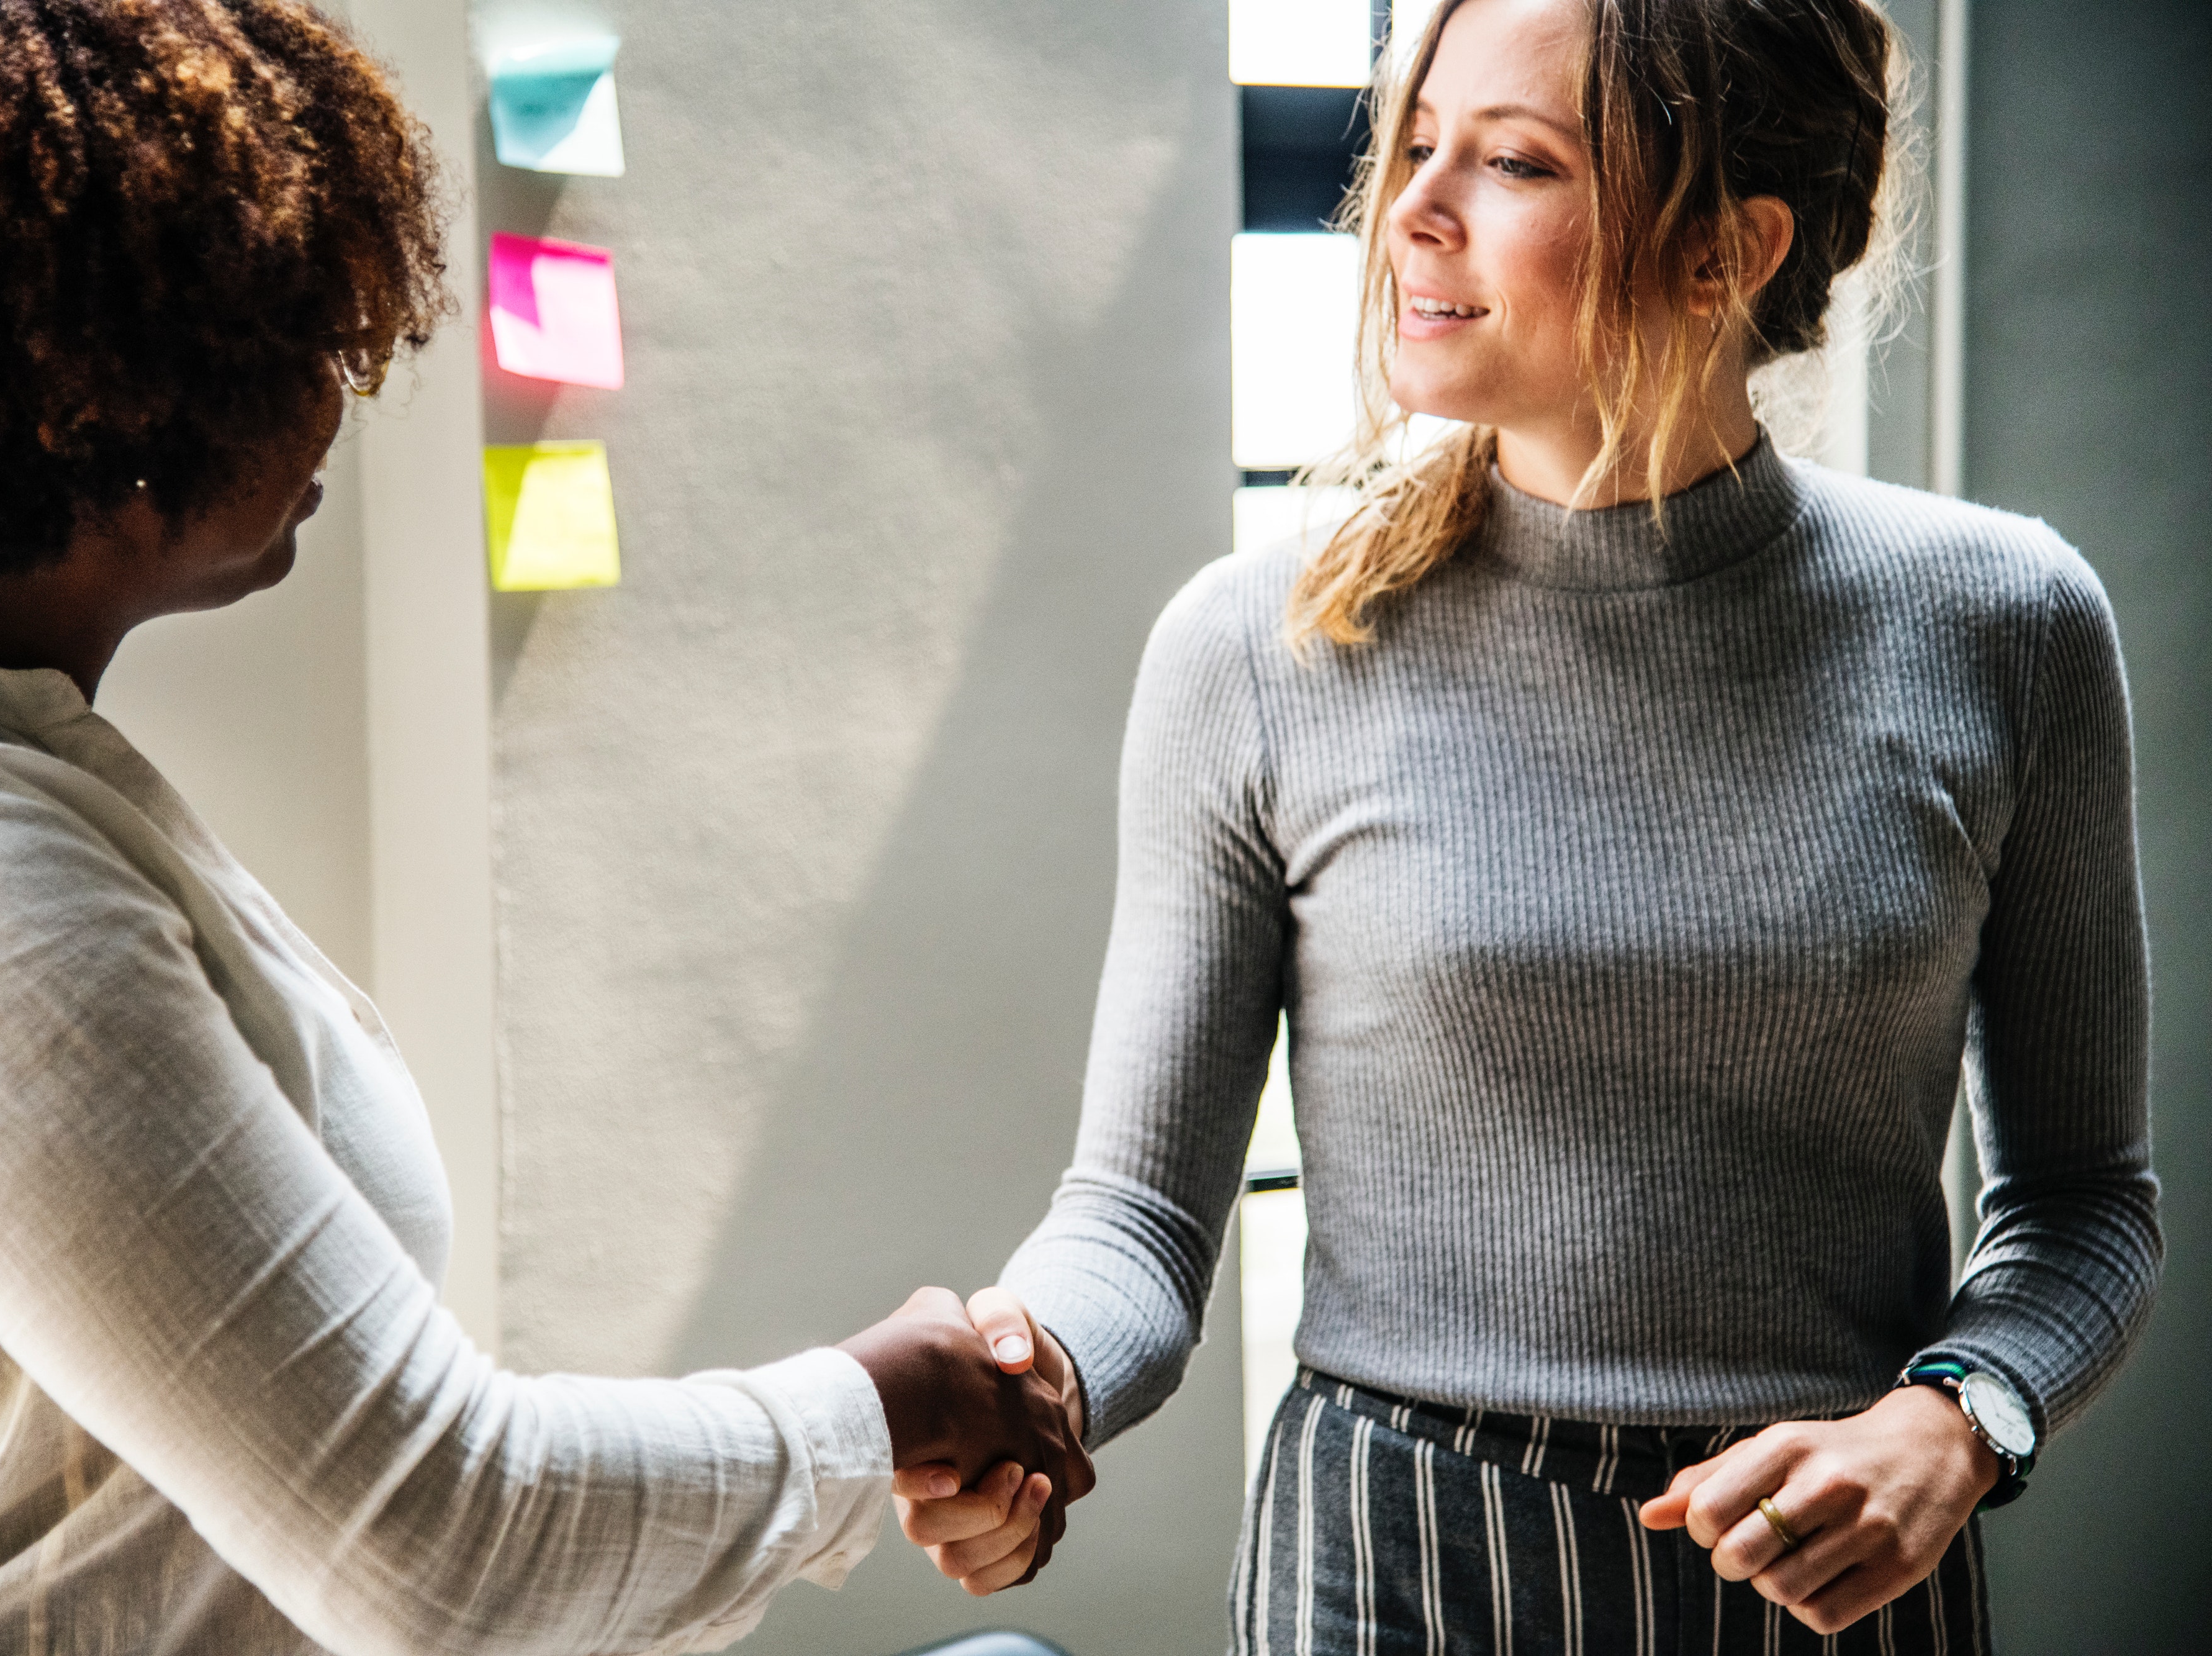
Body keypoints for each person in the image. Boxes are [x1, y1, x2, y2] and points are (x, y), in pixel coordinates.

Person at [0, 3, 1085, 1651]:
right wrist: (890, 1395)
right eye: (288, 344)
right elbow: (445, 1552)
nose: (343, 391)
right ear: (120, 406)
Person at [898, 0, 2160, 1648]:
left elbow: (2082, 1202)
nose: (1412, 210)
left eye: (1512, 161)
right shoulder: (1257, 642)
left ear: (1726, 250)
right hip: (1385, 1570)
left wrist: (1958, 1418)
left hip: (1833, 1588)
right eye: (1417, 145)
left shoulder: (2009, 621)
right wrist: (1034, 1378)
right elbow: (1138, 1218)